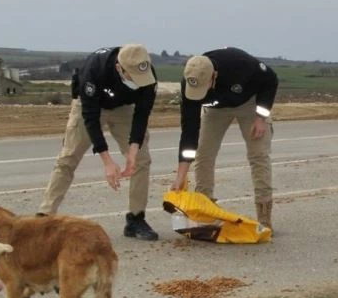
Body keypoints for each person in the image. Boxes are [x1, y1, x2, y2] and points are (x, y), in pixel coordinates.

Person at [37, 43, 160, 241]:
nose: (139, 82)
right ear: (120, 68)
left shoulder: (148, 75)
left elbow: (142, 114)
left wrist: (134, 149)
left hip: (124, 109)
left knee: (142, 160)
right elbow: (90, 118)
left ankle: (136, 219)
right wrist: (107, 162)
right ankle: (44, 217)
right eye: (133, 78)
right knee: (67, 159)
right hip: (91, 108)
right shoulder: (95, 69)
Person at [171, 47, 278, 229]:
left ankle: (264, 216)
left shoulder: (240, 64)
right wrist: (181, 176)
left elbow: (271, 80)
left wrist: (261, 117)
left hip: (249, 103)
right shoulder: (190, 83)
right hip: (215, 111)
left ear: (215, 75)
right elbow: (189, 130)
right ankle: (205, 211)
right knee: (203, 155)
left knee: (258, 155)